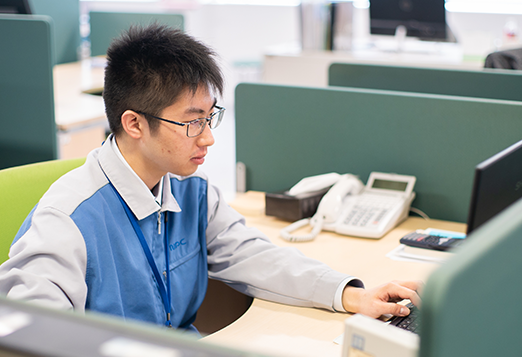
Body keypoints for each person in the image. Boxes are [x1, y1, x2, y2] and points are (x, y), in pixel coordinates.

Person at [0, 24, 420, 332]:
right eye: (192, 122)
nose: (209, 138)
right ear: (133, 124)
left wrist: (351, 294)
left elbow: (255, 256)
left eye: (209, 117)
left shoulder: (190, 191)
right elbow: (27, 332)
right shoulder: (67, 220)